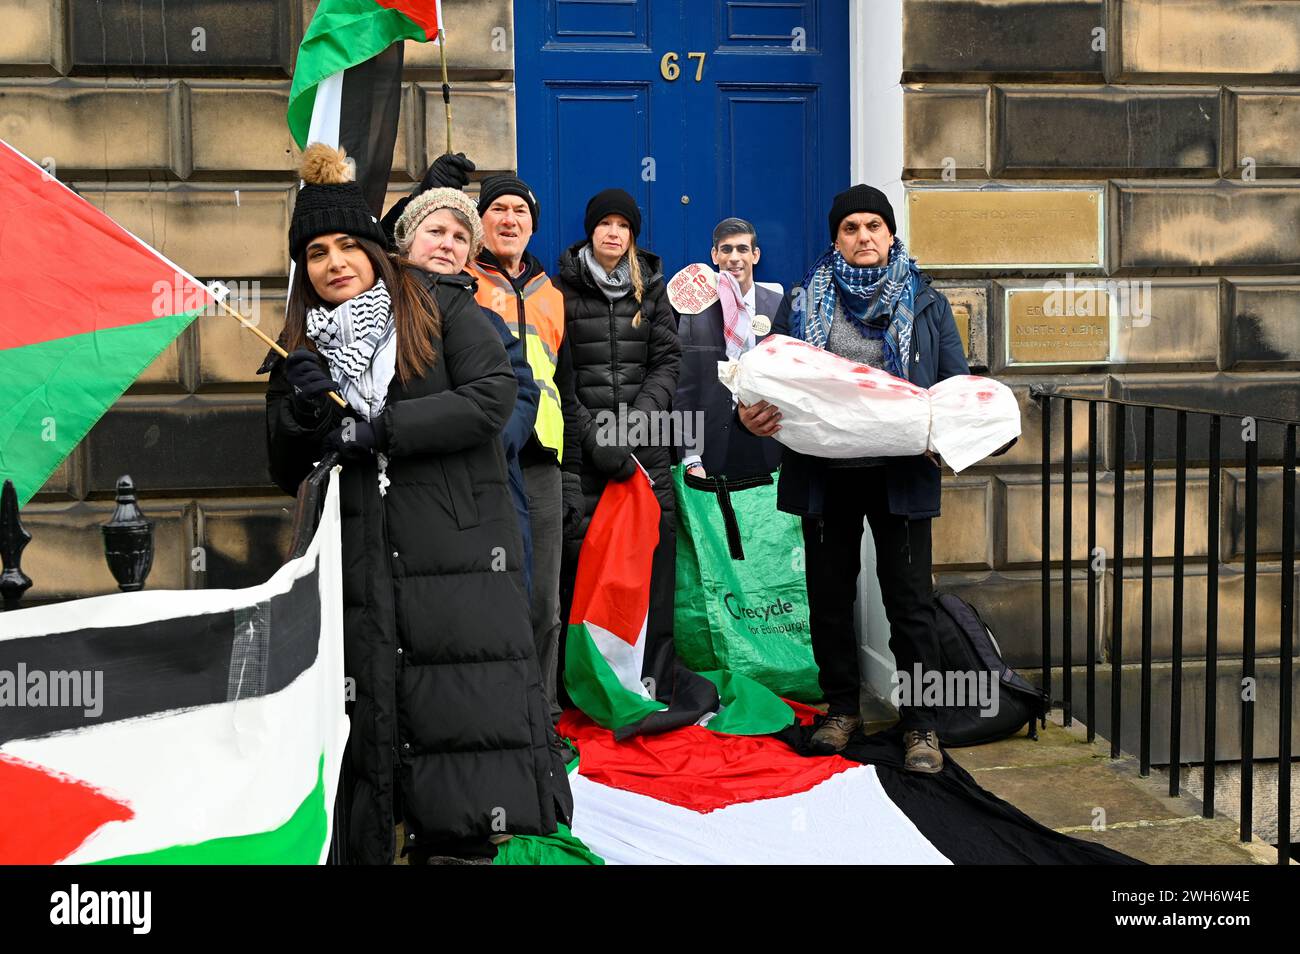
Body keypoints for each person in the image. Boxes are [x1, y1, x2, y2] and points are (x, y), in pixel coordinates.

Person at [263, 144, 569, 863]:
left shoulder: (441, 309)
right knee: (377, 710)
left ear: (374, 249)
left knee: (459, 706)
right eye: (315, 253)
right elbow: (284, 465)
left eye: (347, 245)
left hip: (457, 550)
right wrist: (305, 411)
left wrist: (382, 430)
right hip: (360, 557)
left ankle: (460, 842)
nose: (334, 263)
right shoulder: (298, 343)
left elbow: (493, 398)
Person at [741, 184, 970, 773]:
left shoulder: (926, 303)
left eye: (874, 226)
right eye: (851, 227)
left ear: (891, 235)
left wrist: (962, 429)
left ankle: (920, 724)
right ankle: (842, 708)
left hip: (900, 477)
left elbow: (954, 385)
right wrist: (749, 413)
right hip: (825, 475)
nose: (863, 236)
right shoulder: (804, 302)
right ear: (835, 237)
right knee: (829, 598)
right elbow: (771, 381)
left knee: (910, 602)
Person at [465, 174, 584, 727]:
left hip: (541, 458)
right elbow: (393, 252)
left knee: (544, 603)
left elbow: (565, 380)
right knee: (482, 591)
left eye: (519, 211)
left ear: (532, 224)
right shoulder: (456, 276)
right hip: (480, 455)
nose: (509, 219)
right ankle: (492, 716)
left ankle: (543, 717)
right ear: (480, 220)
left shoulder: (553, 292)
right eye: (497, 210)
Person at [554, 189, 682, 700]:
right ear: (590, 231)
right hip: (585, 458)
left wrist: (635, 427)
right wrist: (595, 436)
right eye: (604, 223)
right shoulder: (559, 290)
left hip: (645, 452)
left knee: (654, 568)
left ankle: (653, 682)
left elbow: (668, 363)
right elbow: (558, 378)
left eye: (622, 225)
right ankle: (581, 689)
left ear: (632, 234)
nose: (613, 232)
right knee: (583, 570)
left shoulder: (652, 289)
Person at [392, 184, 541, 598]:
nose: (447, 245)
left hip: (484, 488)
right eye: (435, 231)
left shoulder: (487, 321)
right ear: (407, 239)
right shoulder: (377, 309)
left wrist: (486, 444)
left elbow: (521, 391)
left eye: (460, 238)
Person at [675, 217, 791, 479]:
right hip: (713, 451)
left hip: (769, 445)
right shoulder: (696, 310)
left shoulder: (777, 304)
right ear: (714, 255)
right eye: (726, 249)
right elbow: (685, 390)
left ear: (756, 255)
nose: (734, 257)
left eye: (742, 249)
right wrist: (692, 457)